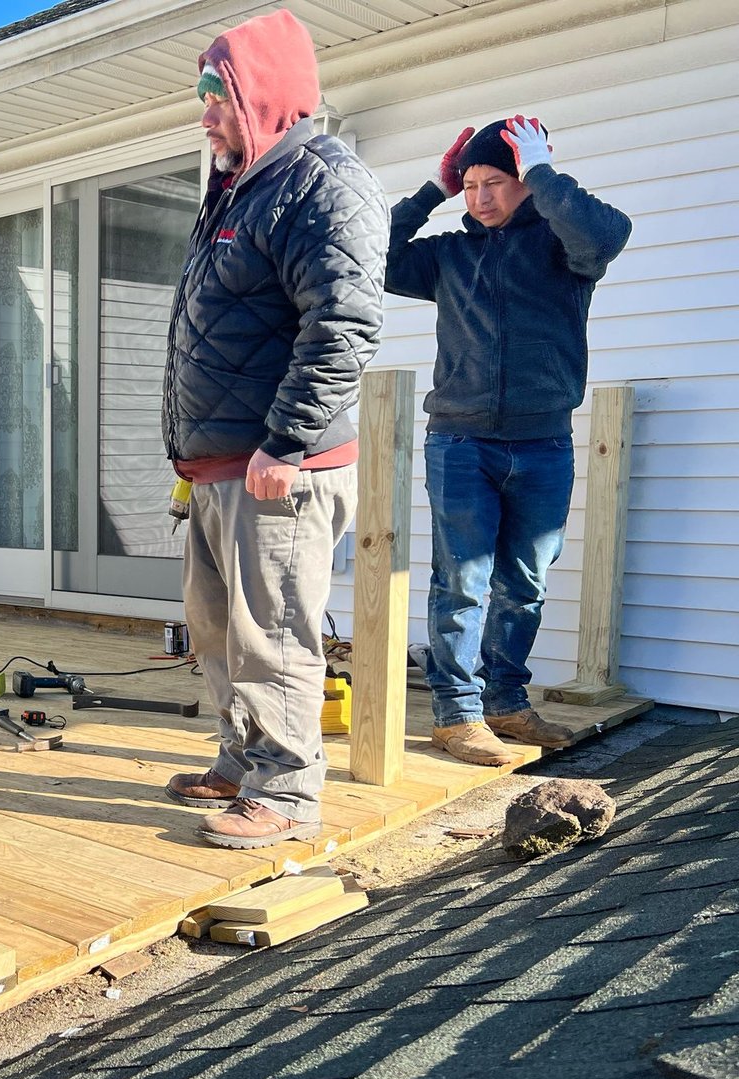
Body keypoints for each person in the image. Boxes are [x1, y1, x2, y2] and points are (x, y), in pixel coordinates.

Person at [160, 9, 387, 849]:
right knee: (218, 629)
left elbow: (343, 324)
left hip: (276, 464)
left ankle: (287, 793)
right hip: (220, 465)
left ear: (263, 94)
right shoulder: (242, 187)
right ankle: (242, 761)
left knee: (275, 633)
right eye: (204, 98)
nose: (206, 116)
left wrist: (286, 441)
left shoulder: (322, 183)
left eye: (217, 96)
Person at [387, 116, 632, 766]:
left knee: (524, 584)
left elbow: (608, 233)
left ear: (524, 179)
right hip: (461, 444)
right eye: (469, 185)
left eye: (493, 181)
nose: (480, 197)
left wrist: (544, 172)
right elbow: (366, 255)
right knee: (462, 583)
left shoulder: (564, 250)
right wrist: (432, 189)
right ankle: (457, 715)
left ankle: (505, 703)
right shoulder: (447, 255)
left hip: (544, 445)